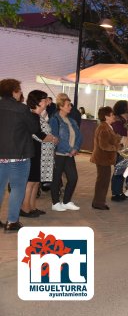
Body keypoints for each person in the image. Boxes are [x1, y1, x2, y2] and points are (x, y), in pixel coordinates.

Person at [0, 79, 42, 231]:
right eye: (18, 90)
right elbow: (33, 128)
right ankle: (12, 221)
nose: (20, 93)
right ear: (14, 91)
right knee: (18, 188)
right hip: (19, 155)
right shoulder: (22, 109)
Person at [22, 90, 57, 218]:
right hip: (33, 152)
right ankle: (25, 208)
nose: (46, 101)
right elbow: (37, 134)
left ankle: (32, 207)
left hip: (40, 152)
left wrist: (51, 138)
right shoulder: (32, 115)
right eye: (43, 99)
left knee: (36, 181)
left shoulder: (38, 115)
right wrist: (52, 138)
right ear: (37, 101)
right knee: (30, 182)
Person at [49, 93, 82, 212]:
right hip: (59, 154)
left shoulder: (72, 120)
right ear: (61, 106)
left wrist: (76, 148)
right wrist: (70, 149)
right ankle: (55, 202)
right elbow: (56, 138)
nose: (70, 107)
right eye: (68, 105)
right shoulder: (54, 120)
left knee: (73, 178)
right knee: (56, 179)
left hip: (69, 155)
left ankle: (67, 201)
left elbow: (79, 136)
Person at [90, 107, 121, 210]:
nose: (114, 116)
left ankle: (99, 201)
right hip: (102, 158)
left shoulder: (107, 126)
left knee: (103, 181)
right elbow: (103, 145)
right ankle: (99, 202)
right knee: (102, 181)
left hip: (104, 159)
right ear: (106, 116)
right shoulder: (104, 127)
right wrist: (116, 148)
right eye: (112, 115)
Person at [110, 100, 128, 202]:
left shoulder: (127, 119)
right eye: (127, 106)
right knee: (118, 171)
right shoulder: (117, 120)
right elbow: (121, 132)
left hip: (127, 148)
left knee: (122, 172)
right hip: (119, 149)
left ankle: (120, 192)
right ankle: (115, 193)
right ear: (123, 108)